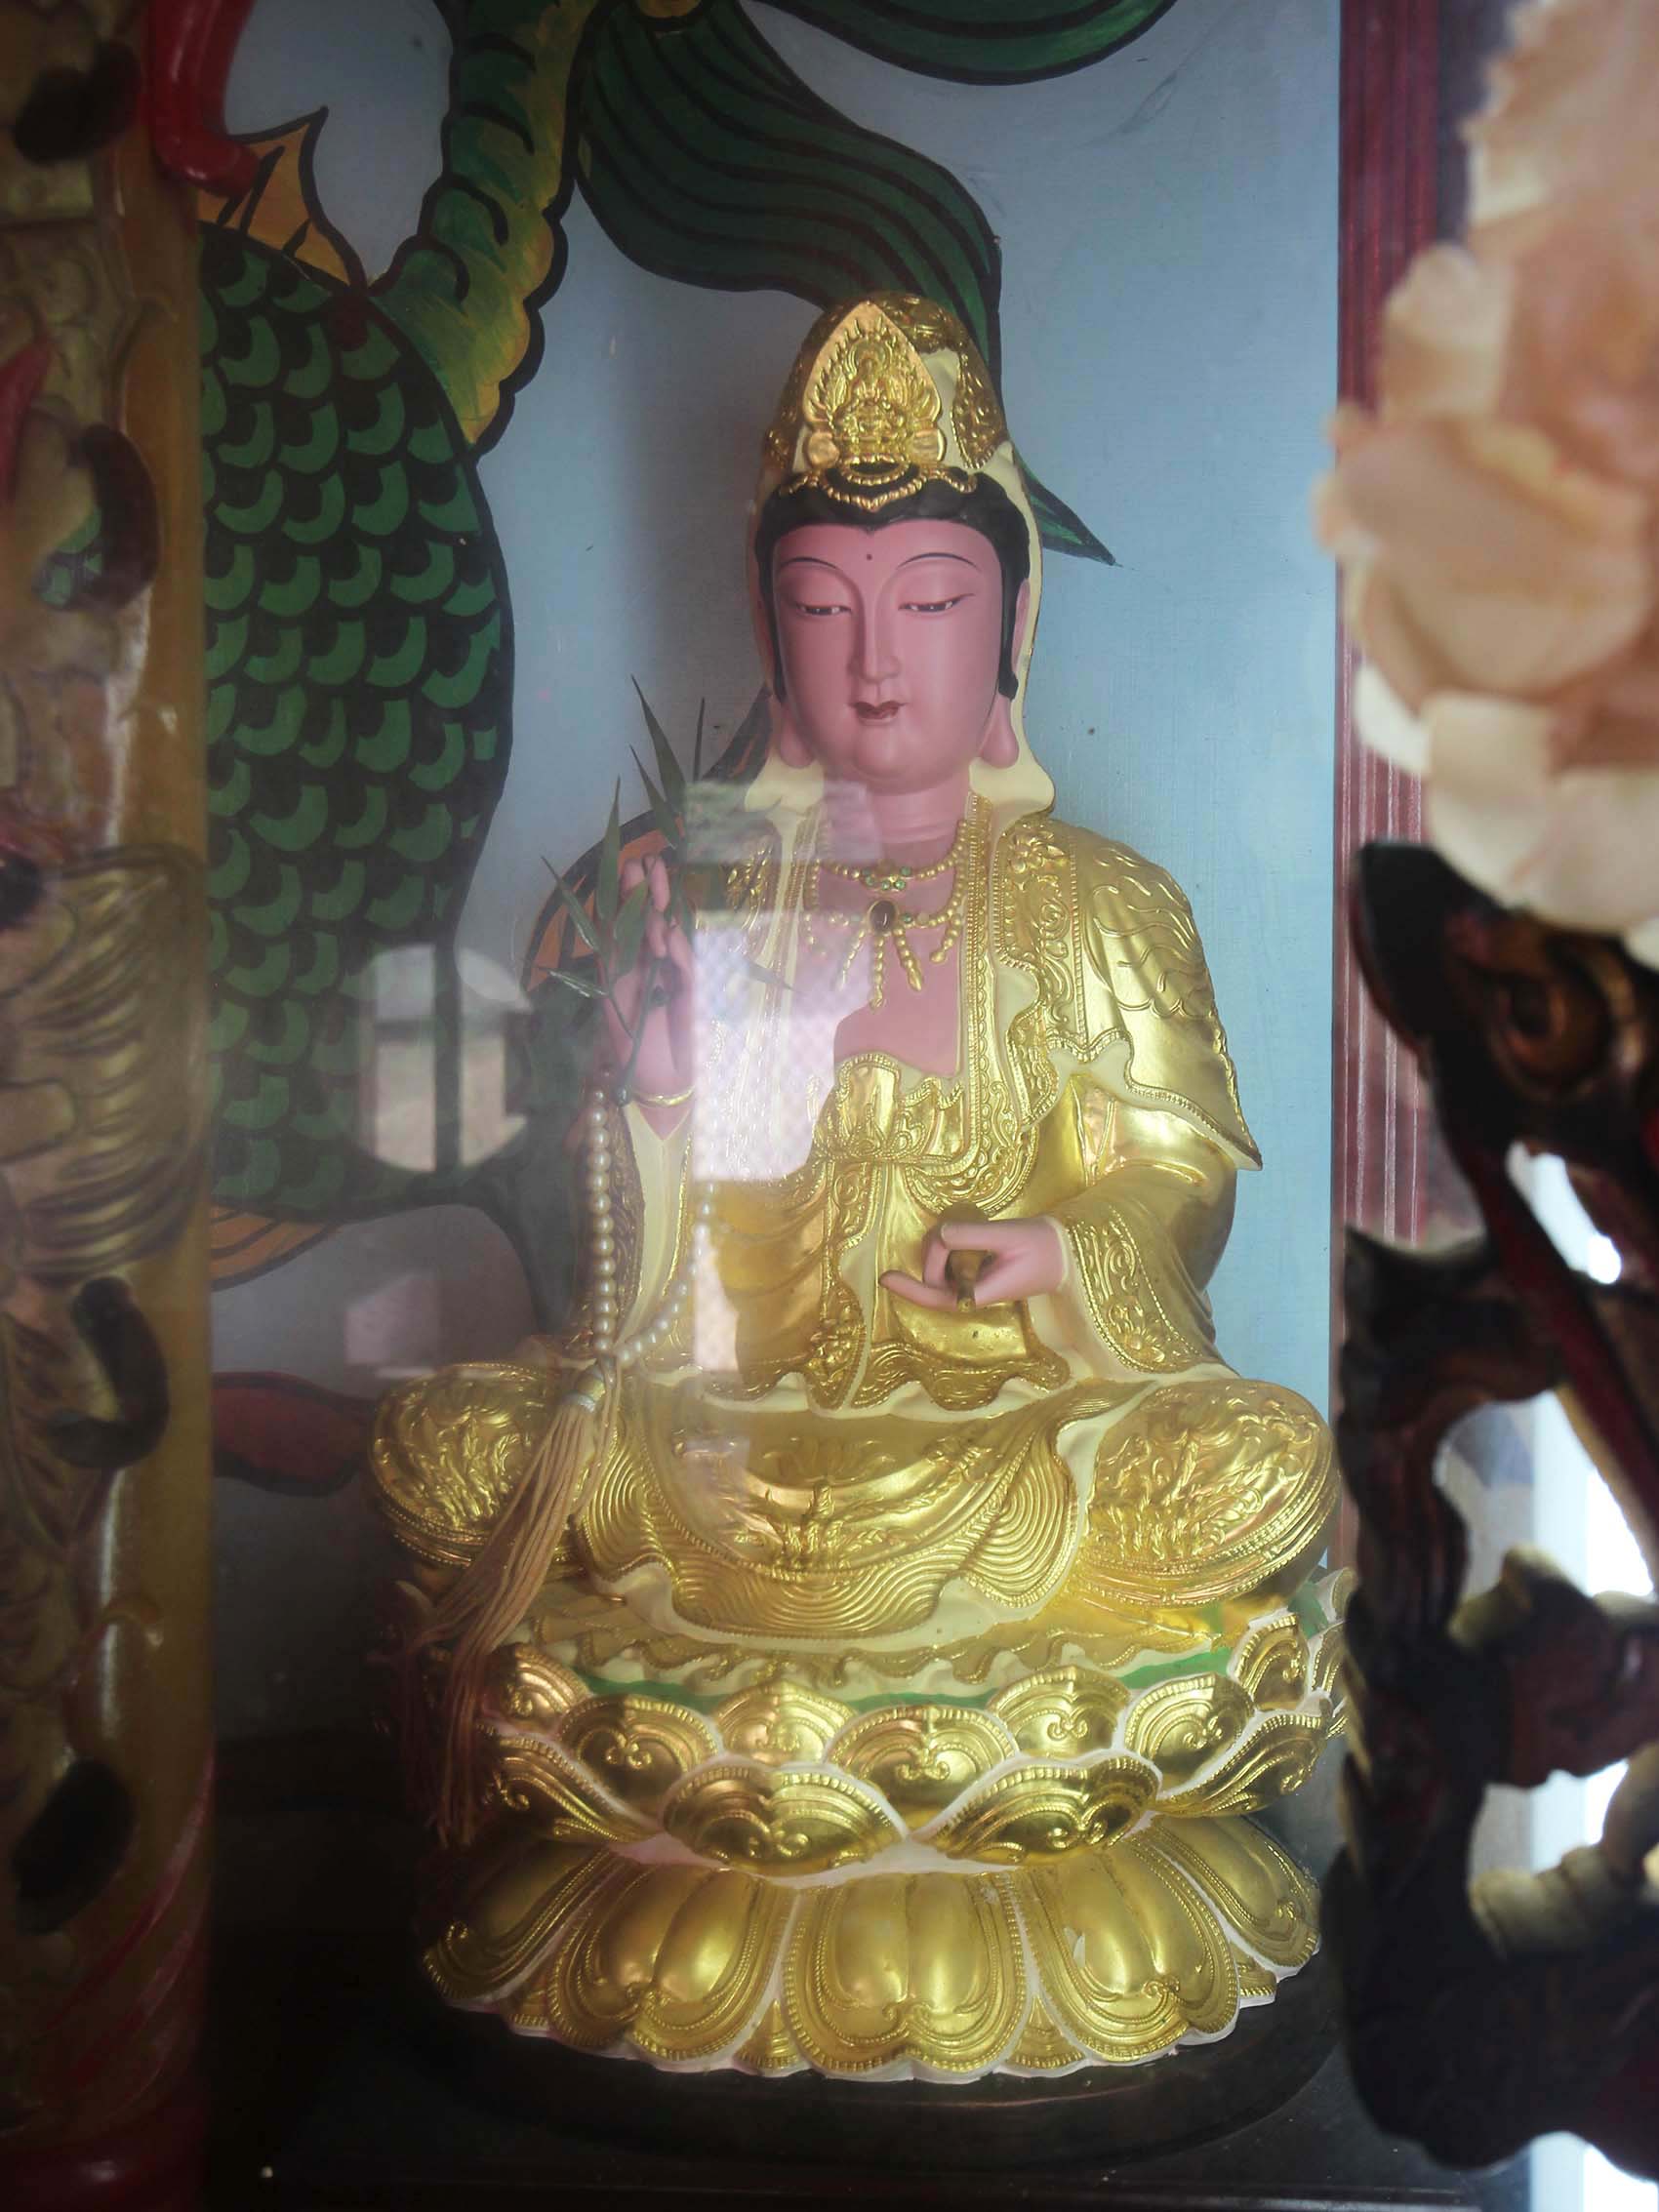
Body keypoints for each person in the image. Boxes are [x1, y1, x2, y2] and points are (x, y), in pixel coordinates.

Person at [374, 296, 1345, 2079]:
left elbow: (1178, 1178)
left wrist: (1064, 1248)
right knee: (452, 1452)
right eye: (826, 608)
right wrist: (656, 1110)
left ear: (1016, 625)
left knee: (1258, 1469)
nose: (878, 662)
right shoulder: (705, 900)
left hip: (1019, 1456)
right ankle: (913, 1801)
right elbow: (668, 1296)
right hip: (733, 1461)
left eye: (932, 604)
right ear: (768, 627)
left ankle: (774, 1803)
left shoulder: (1101, 907)